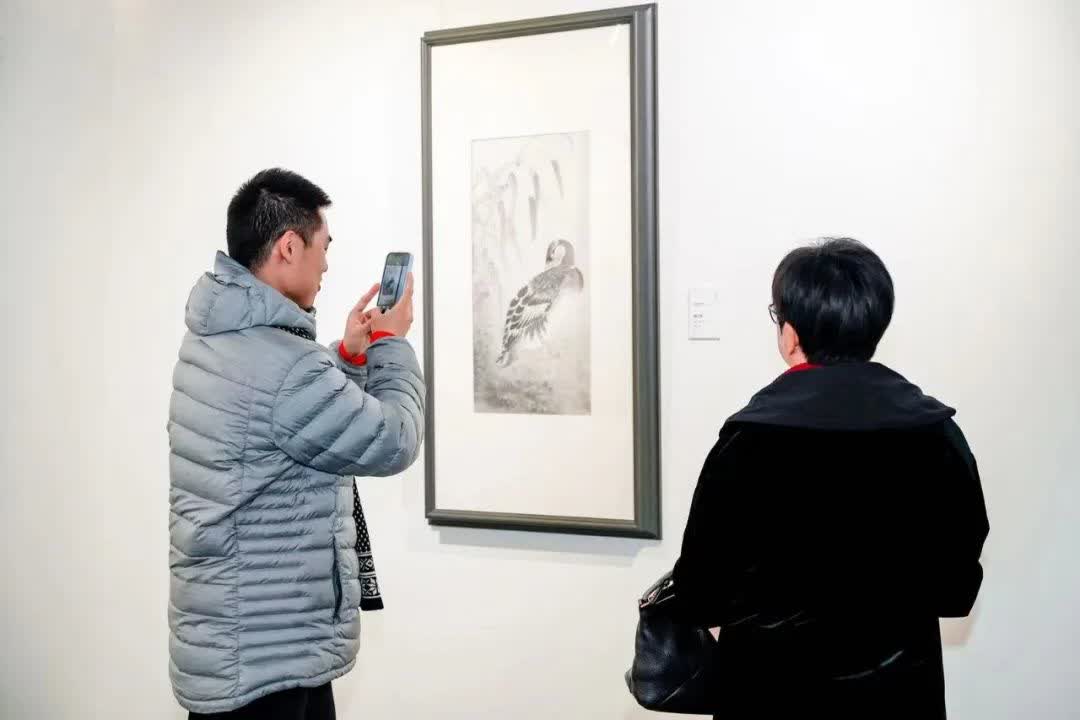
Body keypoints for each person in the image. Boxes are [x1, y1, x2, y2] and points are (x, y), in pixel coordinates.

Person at [672, 238, 989, 719]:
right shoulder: (935, 433)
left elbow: (700, 593)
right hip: (897, 693)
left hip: (767, 692)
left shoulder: (748, 439)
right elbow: (956, 588)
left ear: (790, 334)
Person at [167, 168, 425, 718]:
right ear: (289, 246)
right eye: (323, 246)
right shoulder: (288, 367)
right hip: (269, 665)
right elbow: (395, 439)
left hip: (240, 645)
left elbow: (292, 425)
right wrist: (391, 345)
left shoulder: (217, 339)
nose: (327, 264)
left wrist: (348, 358)